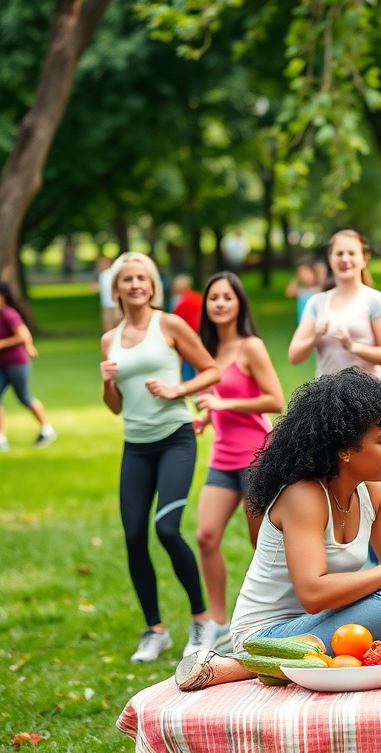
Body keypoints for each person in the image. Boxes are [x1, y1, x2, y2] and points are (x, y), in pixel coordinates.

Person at [175, 370, 381, 691]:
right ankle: (244, 665)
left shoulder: (373, 492)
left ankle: (332, 655)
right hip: (269, 637)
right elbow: (313, 594)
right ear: (345, 450)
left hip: (327, 621)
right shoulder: (304, 496)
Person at [100, 252, 223, 662]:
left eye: (142, 278)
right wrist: (107, 384)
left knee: (167, 529)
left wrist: (177, 391)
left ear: (152, 285)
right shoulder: (109, 338)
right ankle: (155, 630)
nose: (136, 285)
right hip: (135, 445)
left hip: (175, 438)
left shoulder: (168, 324)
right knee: (135, 536)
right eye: (127, 279)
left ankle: (201, 619)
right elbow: (115, 406)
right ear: (116, 288)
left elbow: (210, 370)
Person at [192, 272, 284, 650]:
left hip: (254, 459)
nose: (220, 303)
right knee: (206, 535)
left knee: (260, 542)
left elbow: (275, 399)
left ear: (239, 303)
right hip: (221, 457)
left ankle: (272, 619)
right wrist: (206, 417)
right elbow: (217, 399)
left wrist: (222, 404)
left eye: (227, 297)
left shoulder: (251, 347)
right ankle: (217, 622)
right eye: (213, 297)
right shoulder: (207, 352)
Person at [287, 230, 381, 379]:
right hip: (326, 395)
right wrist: (315, 336)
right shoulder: (317, 302)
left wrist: (353, 347)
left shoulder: (375, 300)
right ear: (330, 259)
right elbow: (294, 356)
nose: (345, 259)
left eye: (351, 253)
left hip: (367, 396)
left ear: (364, 259)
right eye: (339, 254)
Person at [0, 282, 57, 451]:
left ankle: (47, 429)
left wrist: (4, 344)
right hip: (2, 364)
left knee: (24, 397)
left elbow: (23, 334)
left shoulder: (8, 313)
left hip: (16, 363)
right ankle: (1, 438)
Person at [170, 275, 203, 382]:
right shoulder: (199, 297)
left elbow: (175, 320)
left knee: (187, 361)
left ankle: (190, 383)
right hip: (201, 333)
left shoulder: (178, 301)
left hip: (186, 335)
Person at [284, 260, 321, 324]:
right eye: (301, 274)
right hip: (302, 324)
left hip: (316, 325)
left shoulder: (319, 290)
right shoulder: (301, 291)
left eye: (307, 273)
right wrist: (297, 278)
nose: (304, 276)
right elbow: (289, 292)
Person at [95, 256, 118, 332]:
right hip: (107, 304)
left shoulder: (109, 273)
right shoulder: (103, 274)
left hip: (112, 305)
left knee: (111, 326)